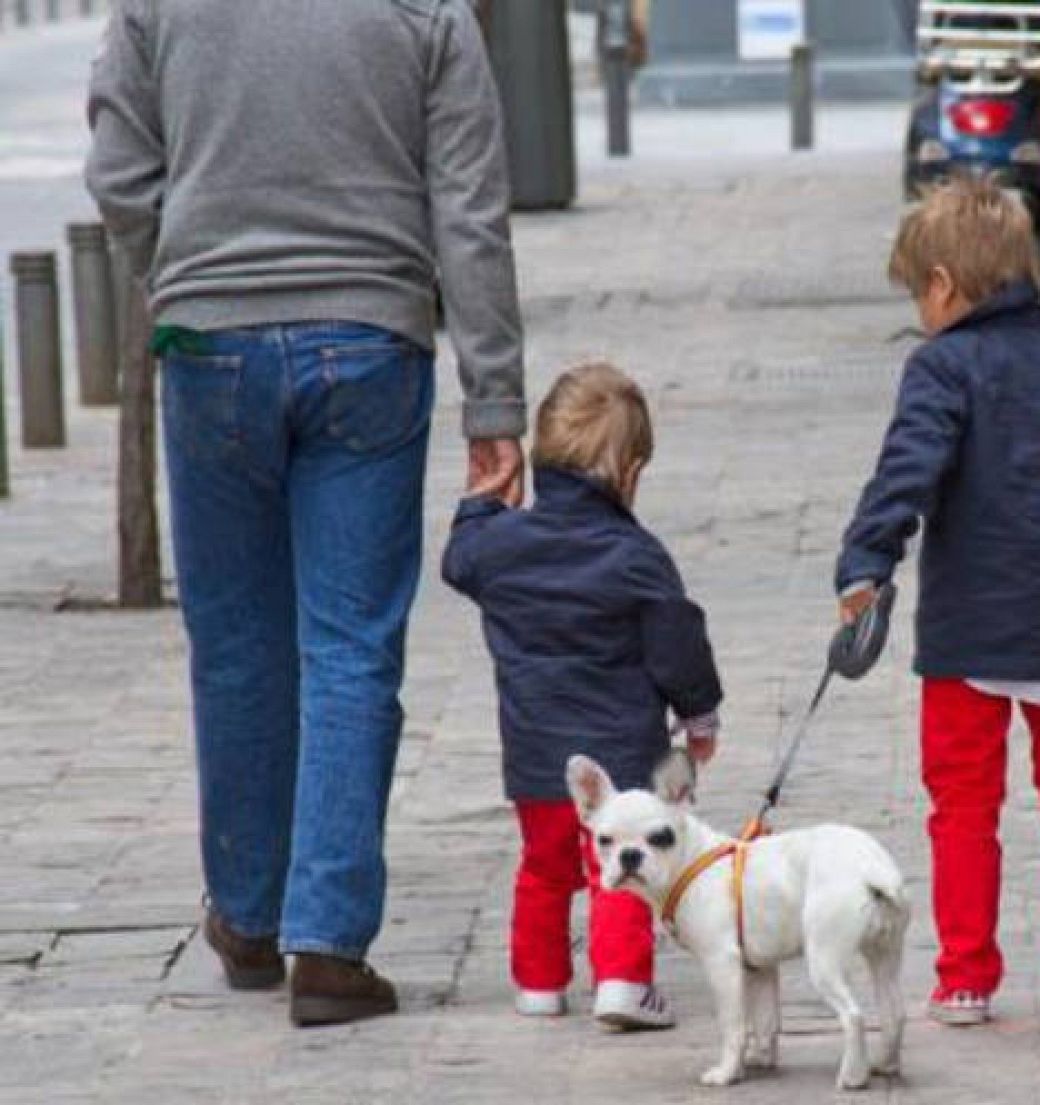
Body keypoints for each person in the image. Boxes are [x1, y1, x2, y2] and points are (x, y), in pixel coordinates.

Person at [85, 0, 527, 1026]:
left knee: (235, 641)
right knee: (352, 645)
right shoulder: (428, 12)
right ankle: (327, 944)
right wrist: (495, 398)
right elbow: (468, 208)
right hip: (370, 341)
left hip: (210, 347)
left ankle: (247, 915)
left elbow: (117, 175)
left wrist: (181, 269)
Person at [834, 177, 1040, 1026]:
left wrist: (866, 562)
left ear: (943, 286)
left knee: (962, 803)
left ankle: (964, 975)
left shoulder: (941, 368)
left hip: (965, 634)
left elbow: (904, 471)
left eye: (919, 293)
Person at [442, 363, 723, 1030]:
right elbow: (677, 642)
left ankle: (538, 984)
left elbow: (459, 560)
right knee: (621, 867)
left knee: (543, 867)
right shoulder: (637, 555)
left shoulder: (500, 544)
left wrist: (481, 501)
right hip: (623, 759)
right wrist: (699, 713)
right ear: (627, 472)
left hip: (535, 755)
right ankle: (623, 981)